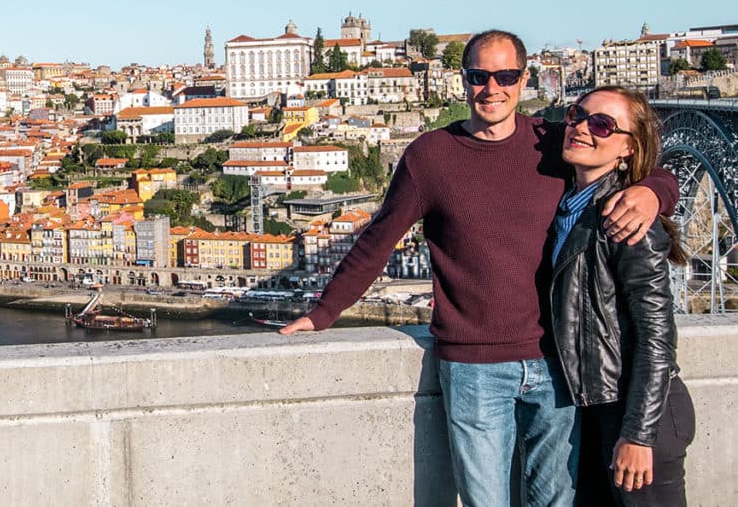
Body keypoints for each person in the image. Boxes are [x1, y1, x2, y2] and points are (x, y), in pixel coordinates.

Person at [280, 30, 678, 506]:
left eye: (506, 76)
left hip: (556, 363)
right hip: (472, 366)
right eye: (479, 76)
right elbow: (378, 239)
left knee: (555, 502)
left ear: (523, 79)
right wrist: (324, 312)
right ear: (462, 81)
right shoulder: (429, 156)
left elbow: (640, 158)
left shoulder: (552, 142)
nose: (493, 88)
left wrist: (653, 190)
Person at [549, 86, 695, 506]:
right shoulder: (571, 202)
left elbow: (656, 336)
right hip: (597, 409)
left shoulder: (627, 217)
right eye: (577, 115)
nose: (581, 128)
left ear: (628, 148)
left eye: (602, 125)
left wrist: (638, 433)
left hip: (638, 415)